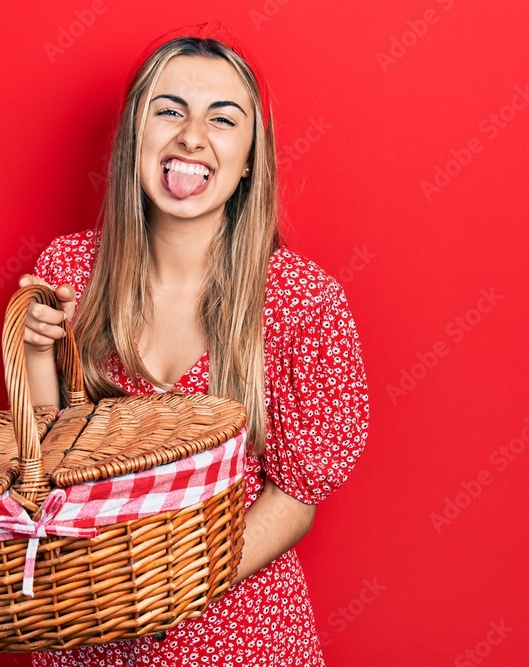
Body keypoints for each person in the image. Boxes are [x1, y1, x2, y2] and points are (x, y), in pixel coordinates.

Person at [18, 23, 369, 666]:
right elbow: (48, 468)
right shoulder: (69, 272)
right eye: (169, 110)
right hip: (90, 629)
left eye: (223, 119)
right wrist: (37, 354)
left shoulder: (300, 299)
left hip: (241, 638)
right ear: (135, 137)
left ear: (248, 159)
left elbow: (296, 497)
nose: (192, 136)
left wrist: (168, 585)